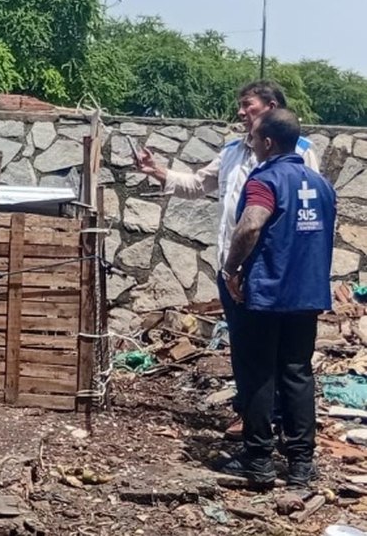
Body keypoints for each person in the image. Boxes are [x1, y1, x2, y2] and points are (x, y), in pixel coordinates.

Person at [135, 80, 321, 439]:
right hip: (233, 270)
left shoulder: (302, 153)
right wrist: (157, 171)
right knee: (247, 349)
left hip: (273, 272)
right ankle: (255, 419)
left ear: (270, 106)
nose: (240, 112)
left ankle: (273, 430)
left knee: (285, 358)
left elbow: (303, 211)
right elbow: (196, 185)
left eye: (247, 104)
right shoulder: (234, 152)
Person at [218, 108, 335, 487]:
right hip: (307, 294)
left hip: (267, 294)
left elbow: (251, 224)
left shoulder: (264, 180)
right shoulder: (321, 184)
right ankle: (301, 464)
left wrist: (231, 269)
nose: (249, 143)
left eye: (253, 138)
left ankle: (259, 461)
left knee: (258, 374)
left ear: (268, 142)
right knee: (297, 373)